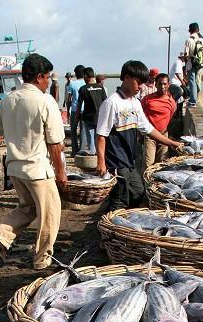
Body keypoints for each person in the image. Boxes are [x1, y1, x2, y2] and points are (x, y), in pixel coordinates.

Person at [0, 53, 67, 270]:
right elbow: (55, 143)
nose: (48, 82)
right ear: (39, 77)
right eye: (47, 77)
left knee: (28, 207)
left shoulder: (8, 100)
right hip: (37, 170)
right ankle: (42, 259)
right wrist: (61, 173)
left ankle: (2, 238)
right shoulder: (44, 101)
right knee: (50, 214)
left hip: (14, 167)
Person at [96, 61, 181, 212]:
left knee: (138, 192)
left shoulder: (135, 103)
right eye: (138, 82)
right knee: (119, 198)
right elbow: (101, 135)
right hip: (116, 161)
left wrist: (170, 143)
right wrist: (101, 162)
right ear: (127, 78)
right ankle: (106, 230)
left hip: (130, 160)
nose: (141, 86)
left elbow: (148, 129)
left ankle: (122, 222)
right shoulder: (111, 103)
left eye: (143, 82)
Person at [141, 73, 177, 171]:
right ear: (155, 84)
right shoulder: (147, 99)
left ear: (168, 85)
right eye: (160, 84)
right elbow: (140, 115)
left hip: (163, 135)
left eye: (165, 84)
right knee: (148, 164)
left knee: (162, 164)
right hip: (150, 136)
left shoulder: (171, 101)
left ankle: (157, 185)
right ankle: (146, 185)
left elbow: (171, 115)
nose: (162, 86)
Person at [75, 67, 107, 155]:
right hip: (100, 117)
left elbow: (79, 105)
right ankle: (100, 154)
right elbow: (106, 103)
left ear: (85, 76)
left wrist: (77, 117)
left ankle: (92, 153)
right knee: (100, 137)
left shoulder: (83, 89)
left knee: (90, 137)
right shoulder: (101, 88)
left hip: (88, 118)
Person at [184, 22, 203, 107]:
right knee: (197, 81)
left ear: (190, 30)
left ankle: (193, 101)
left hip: (191, 63)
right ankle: (196, 98)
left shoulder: (189, 40)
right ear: (198, 30)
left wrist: (186, 63)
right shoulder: (202, 40)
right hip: (200, 64)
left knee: (192, 81)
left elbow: (186, 53)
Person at [67, 64, 86, 156]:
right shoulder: (86, 83)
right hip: (85, 110)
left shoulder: (72, 83)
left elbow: (69, 99)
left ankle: (74, 151)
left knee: (73, 130)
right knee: (83, 131)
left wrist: (67, 111)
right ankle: (82, 150)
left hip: (74, 110)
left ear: (75, 74)